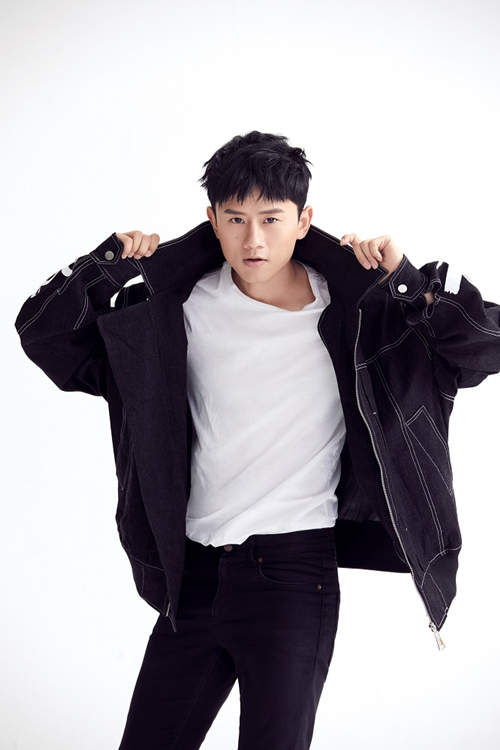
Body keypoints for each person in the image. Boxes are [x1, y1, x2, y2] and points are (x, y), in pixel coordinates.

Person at [14, 130, 500, 749]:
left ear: (304, 221)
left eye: (271, 219)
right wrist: (104, 265)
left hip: (294, 578)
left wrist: (407, 281)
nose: (254, 240)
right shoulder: (173, 309)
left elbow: (486, 346)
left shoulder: (361, 313)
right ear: (212, 221)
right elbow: (44, 338)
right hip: (193, 578)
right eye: (236, 219)